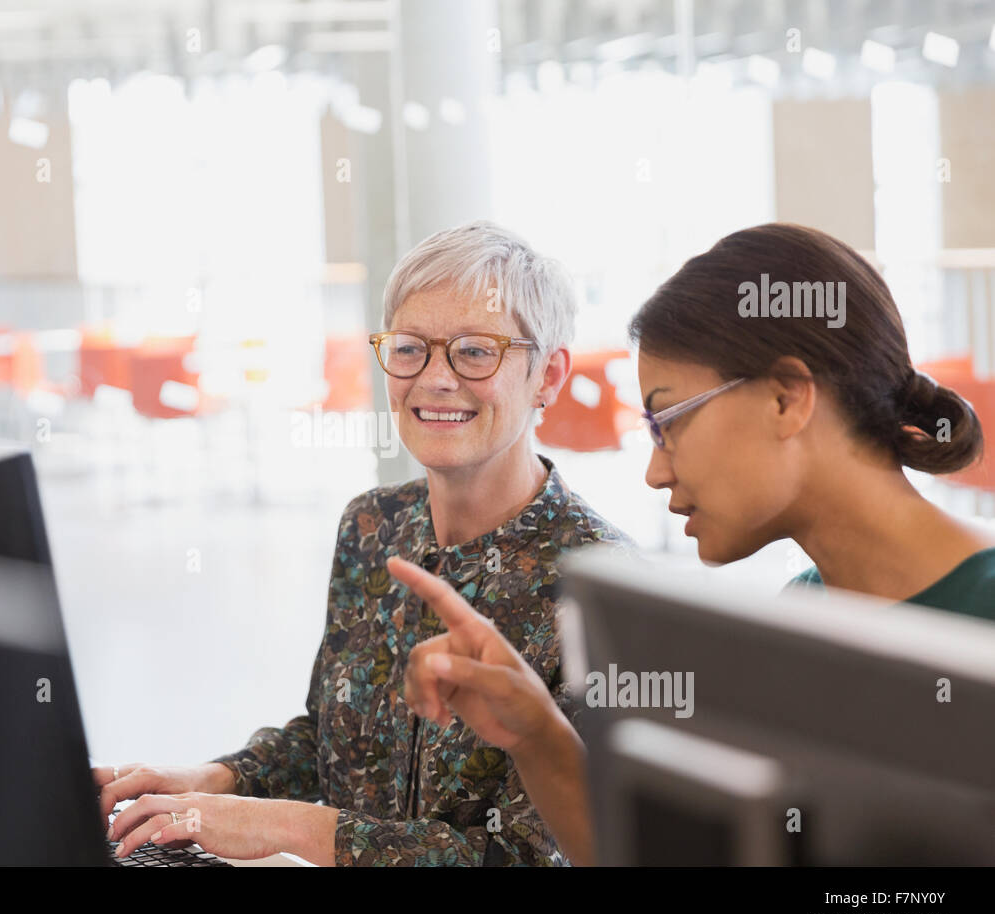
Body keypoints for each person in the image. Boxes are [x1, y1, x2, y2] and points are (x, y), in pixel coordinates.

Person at [395, 222, 995, 865]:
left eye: (669, 421)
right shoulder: (799, 625)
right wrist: (535, 732)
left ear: (786, 399)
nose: (655, 471)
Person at [97, 220, 630, 865]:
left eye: (475, 351)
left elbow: (527, 855)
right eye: (410, 349)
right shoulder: (371, 525)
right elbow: (331, 741)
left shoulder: (605, 582)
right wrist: (212, 781)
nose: (434, 378)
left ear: (547, 376)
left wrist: (285, 830)